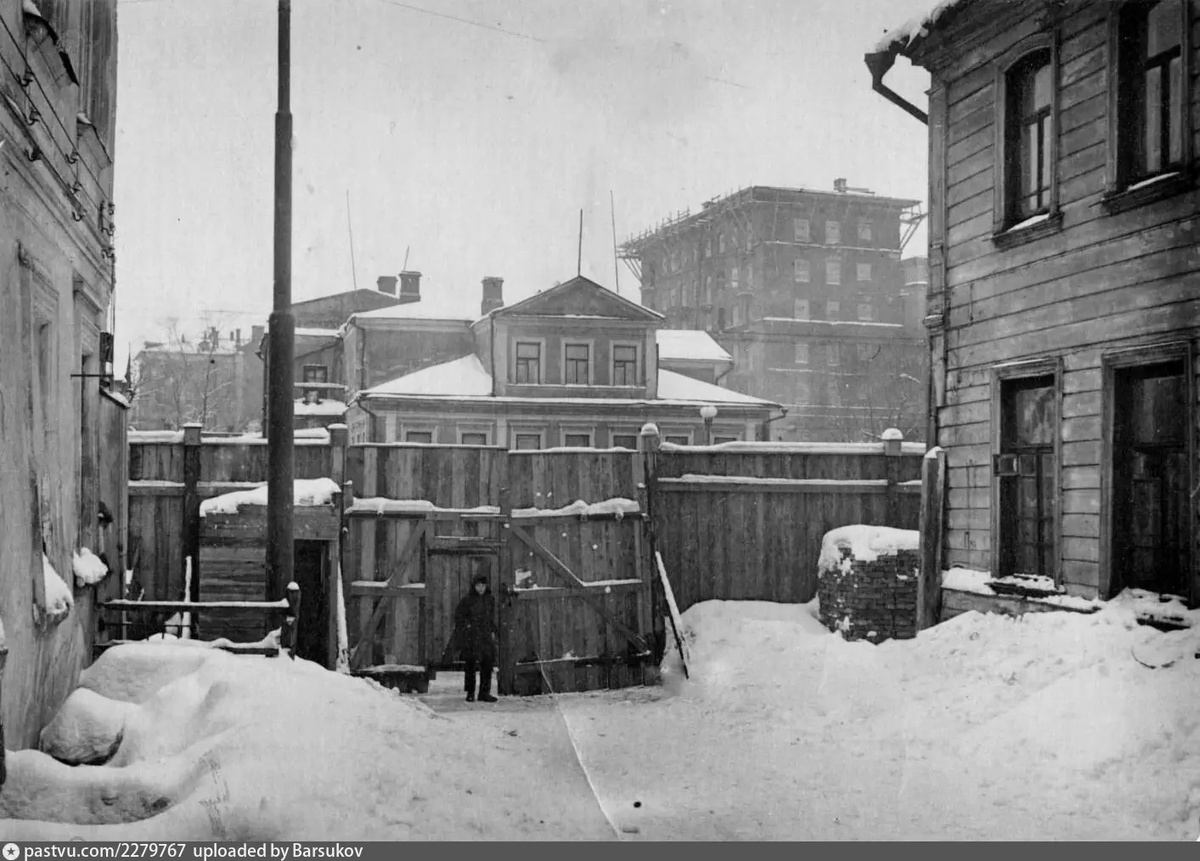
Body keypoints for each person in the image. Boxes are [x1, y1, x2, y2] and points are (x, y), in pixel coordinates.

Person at [454, 573, 498, 703]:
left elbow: (491, 617)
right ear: (474, 586)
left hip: (485, 636)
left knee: (487, 664)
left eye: (483, 586)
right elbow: (459, 616)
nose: (481, 588)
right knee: (470, 665)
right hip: (471, 637)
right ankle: (470, 692)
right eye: (478, 586)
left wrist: (493, 630)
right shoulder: (467, 600)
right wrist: (466, 627)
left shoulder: (490, 599)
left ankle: (484, 692)